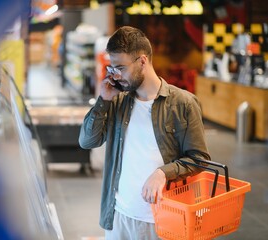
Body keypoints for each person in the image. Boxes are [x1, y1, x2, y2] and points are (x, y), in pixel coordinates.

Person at [78, 26, 211, 240]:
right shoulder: (117, 100)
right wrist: (103, 100)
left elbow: (199, 160)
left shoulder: (183, 103)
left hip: (162, 220)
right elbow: (87, 141)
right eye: (113, 68)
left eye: (120, 67)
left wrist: (163, 173)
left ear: (142, 61)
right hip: (118, 217)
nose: (116, 75)